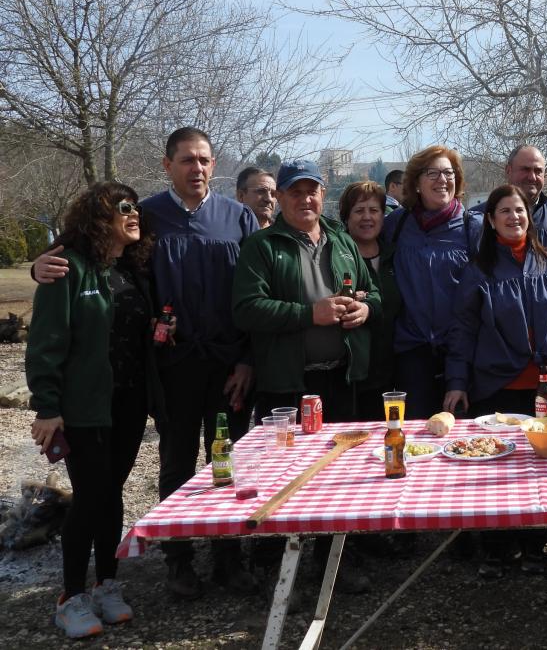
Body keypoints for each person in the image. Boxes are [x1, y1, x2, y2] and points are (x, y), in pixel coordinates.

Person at [34, 127, 260, 598]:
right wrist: (42, 266)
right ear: (167, 165)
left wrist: (246, 359)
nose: (196, 169)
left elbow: (255, 294)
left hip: (227, 367)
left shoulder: (237, 218)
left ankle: (228, 557)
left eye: (203, 160)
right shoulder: (148, 216)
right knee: (176, 464)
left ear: (213, 165)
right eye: (186, 161)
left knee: (228, 462)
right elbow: (93, 253)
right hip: (171, 369)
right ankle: (178, 560)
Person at [232, 160, 381, 591]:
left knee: (340, 473)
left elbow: (372, 292)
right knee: (283, 475)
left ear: (323, 191)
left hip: (340, 376)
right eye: (295, 192)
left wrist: (364, 308)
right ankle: (277, 569)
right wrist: (307, 314)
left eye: (312, 190)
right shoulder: (263, 246)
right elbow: (245, 308)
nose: (306, 199)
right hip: (287, 382)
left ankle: (334, 560)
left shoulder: (340, 239)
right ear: (279, 197)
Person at [26, 183, 162, 639]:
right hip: (83, 407)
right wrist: (47, 406)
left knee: (113, 492)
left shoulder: (131, 269)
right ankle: (71, 596)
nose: (133, 213)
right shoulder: (67, 269)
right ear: (97, 217)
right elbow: (45, 344)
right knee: (89, 496)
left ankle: (107, 583)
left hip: (128, 403)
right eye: (122, 207)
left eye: (135, 206)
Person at [445, 185, 547, 577]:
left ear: (529, 215)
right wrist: (456, 381)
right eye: (503, 210)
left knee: (540, 469)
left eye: (519, 209)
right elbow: (463, 331)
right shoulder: (479, 270)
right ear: (490, 220)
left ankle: (535, 546)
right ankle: (497, 549)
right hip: (497, 387)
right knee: (495, 471)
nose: (513, 216)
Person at [381, 145, 483, 419]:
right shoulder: (396, 225)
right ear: (415, 182)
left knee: (461, 438)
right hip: (411, 351)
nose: (443, 180)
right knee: (415, 437)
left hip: (461, 351)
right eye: (433, 173)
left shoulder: (473, 227)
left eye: (449, 173)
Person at [470, 145, 547, 294]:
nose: (532, 177)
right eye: (525, 169)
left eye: (538, 171)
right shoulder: (477, 219)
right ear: (508, 171)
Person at [338, 181, 402, 414]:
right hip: (352, 375)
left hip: (395, 368)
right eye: (359, 210)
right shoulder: (336, 254)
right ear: (346, 216)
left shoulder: (395, 254)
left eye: (374, 210)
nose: (367, 217)